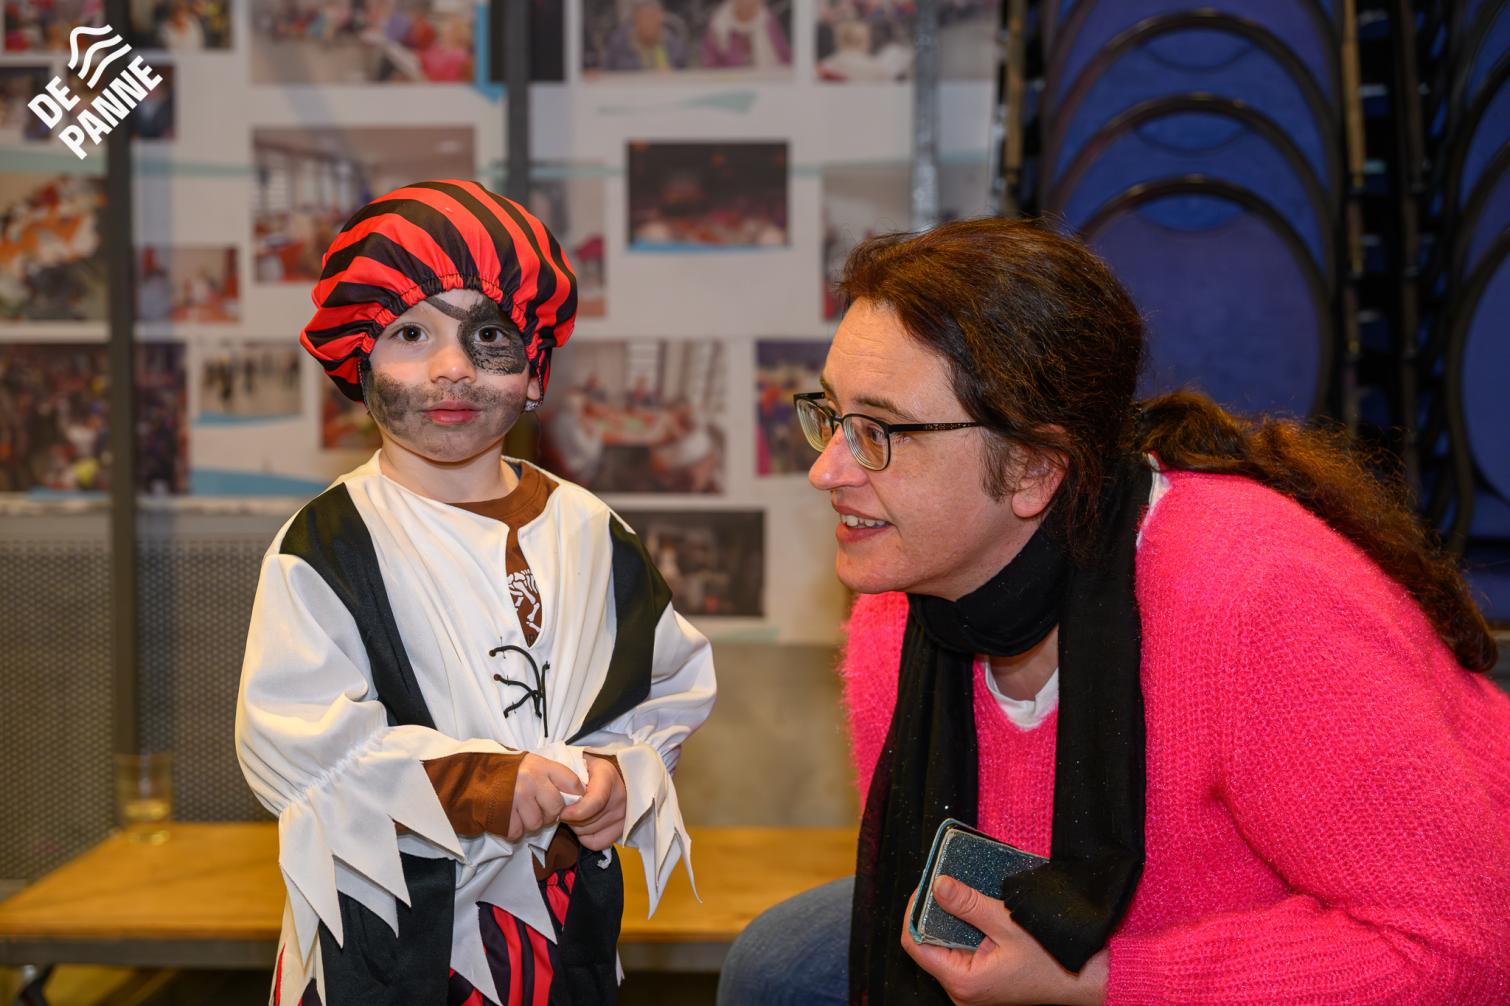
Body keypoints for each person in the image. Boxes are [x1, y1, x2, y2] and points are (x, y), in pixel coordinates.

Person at [717, 217, 1510, 1005]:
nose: (827, 471)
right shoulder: (899, 609)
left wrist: (1106, 982)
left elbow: (1462, 952)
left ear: (1033, 468)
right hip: (1097, 914)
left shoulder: (1257, 598)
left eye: (879, 431)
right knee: (782, 967)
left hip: (1377, 945)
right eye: (832, 416)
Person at [235, 179, 716, 1006]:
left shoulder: (591, 531)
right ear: (359, 364)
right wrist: (477, 785)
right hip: (391, 943)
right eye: (409, 333)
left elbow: (662, 687)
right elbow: (296, 751)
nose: (452, 368)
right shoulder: (328, 546)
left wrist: (616, 776)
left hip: (562, 932)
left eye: (488, 334)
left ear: (534, 371)